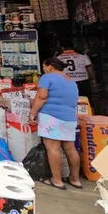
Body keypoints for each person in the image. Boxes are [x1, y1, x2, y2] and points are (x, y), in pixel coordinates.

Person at [29, 58, 82, 191]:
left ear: (50, 66)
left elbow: (42, 97)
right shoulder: (71, 81)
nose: (44, 69)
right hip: (70, 117)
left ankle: (57, 180)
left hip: (52, 116)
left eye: (44, 66)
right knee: (70, 149)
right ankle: (75, 179)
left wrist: (32, 113)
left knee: (53, 148)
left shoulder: (47, 77)